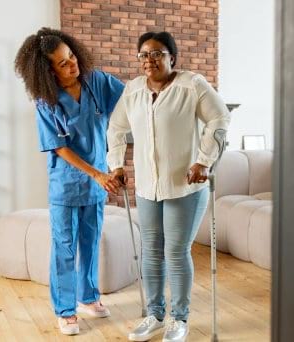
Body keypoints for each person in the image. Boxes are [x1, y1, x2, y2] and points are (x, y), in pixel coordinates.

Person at [107, 31, 231, 342]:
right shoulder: (133, 90)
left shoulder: (192, 84)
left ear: (171, 57)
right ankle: (154, 314)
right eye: (144, 55)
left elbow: (219, 119)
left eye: (158, 53)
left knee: (175, 252)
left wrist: (203, 161)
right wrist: (117, 165)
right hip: (148, 187)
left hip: (184, 187)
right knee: (150, 252)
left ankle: (179, 319)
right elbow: (116, 128)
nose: (149, 60)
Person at [14, 27, 124, 336]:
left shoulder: (98, 83)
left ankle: (88, 297)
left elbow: (129, 104)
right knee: (65, 246)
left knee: (91, 241)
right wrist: (97, 173)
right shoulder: (46, 101)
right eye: (63, 63)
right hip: (66, 184)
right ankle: (65, 310)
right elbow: (59, 147)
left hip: (99, 183)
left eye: (72, 56)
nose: (72, 65)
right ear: (48, 71)